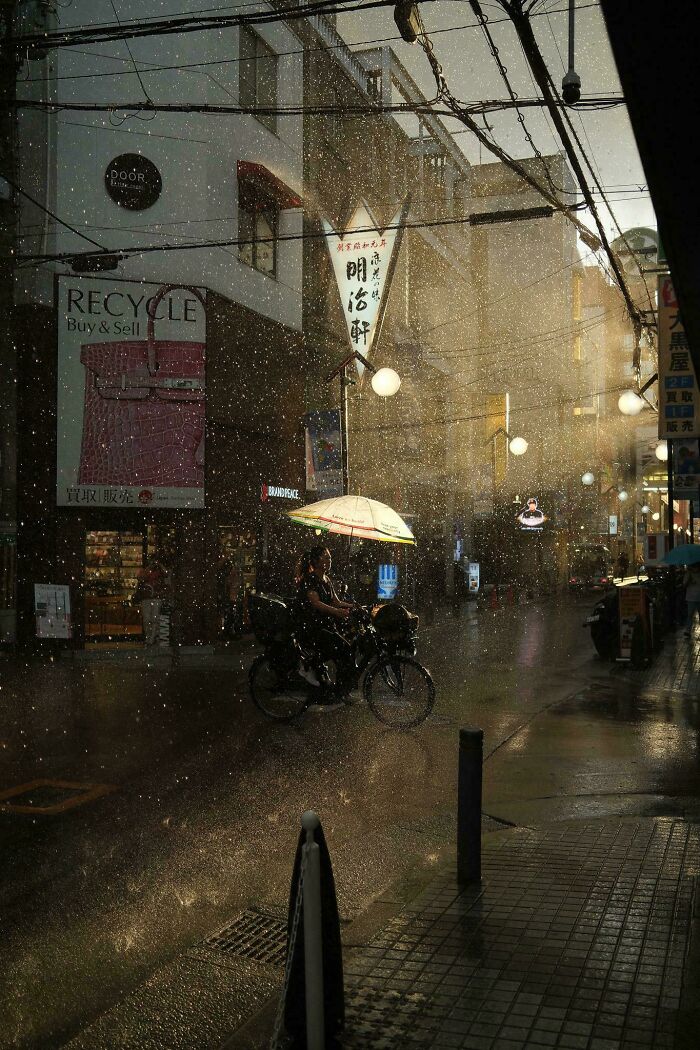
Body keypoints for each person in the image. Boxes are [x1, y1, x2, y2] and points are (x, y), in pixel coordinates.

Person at [294, 545, 355, 702]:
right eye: (326, 557)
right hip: (312, 627)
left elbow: (336, 601)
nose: (330, 560)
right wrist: (336, 612)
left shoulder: (326, 579)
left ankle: (322, 675)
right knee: (343, 649)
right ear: (316, 560)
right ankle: (337, 688)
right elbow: (316, 603)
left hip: (325, 626)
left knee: (347, 647)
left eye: (330, 557)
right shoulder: (310, 579)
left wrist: (354, 607)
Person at [135, 557, 170, 646]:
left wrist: (160, 566)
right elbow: (140, 578)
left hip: (155, 597)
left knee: (154, 619)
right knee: (147, 619)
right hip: (146, 597)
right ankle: (149, 637)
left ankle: (152, 638)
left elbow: (166, 574)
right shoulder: (145, 571)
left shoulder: (160, 571)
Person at [683, 563, 700, 636]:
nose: (695, 568)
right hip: (690, 598)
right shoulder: (688, 574)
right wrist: (689, 580)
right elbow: (684, 585)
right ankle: (688, 630)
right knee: (689, 614)